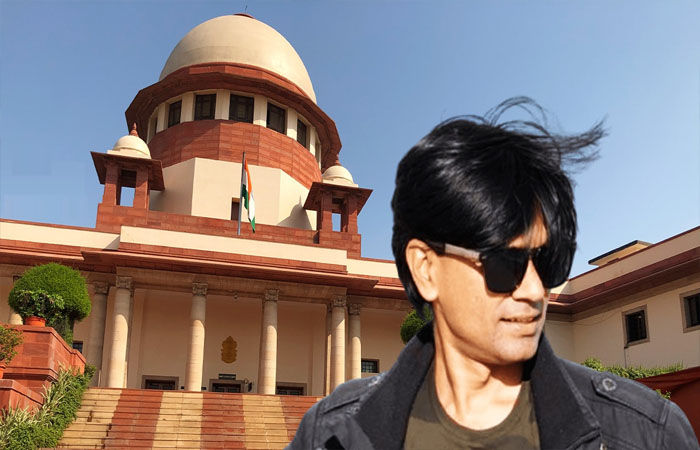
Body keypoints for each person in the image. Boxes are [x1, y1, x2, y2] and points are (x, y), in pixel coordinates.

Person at [288, 98, 699, 449]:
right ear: (426, 268)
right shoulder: (329, 435)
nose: (535, 291)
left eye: (547, 262)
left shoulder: (647, 433)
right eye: (505, 264)